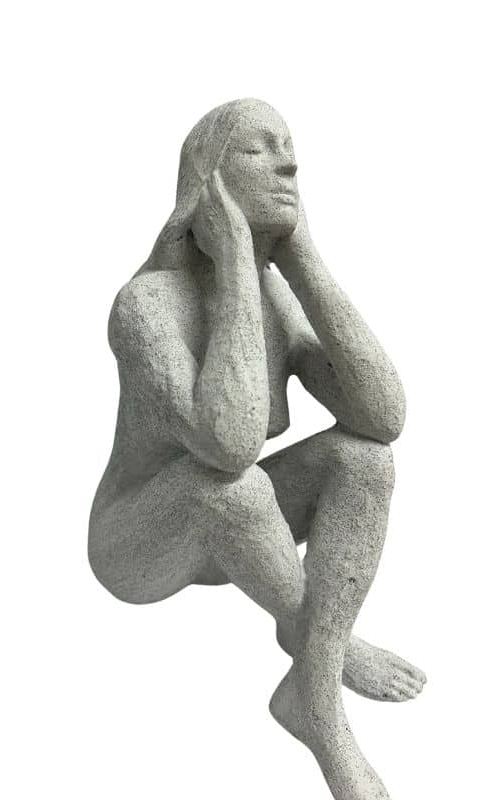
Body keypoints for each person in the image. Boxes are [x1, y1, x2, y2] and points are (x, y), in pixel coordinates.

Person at [89, 98, 425, 800]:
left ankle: (308, 677)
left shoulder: (274, 297)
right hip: (138, 545)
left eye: (288, 146)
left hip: (236, 540)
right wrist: (238, 260)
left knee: (365, 460)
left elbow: (382, 414)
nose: (289, 164)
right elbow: (229, 442)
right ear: (207, 182)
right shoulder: (145, 306)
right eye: (258, 149)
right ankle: (325, 694)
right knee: (231, 484)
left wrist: (304, 261)